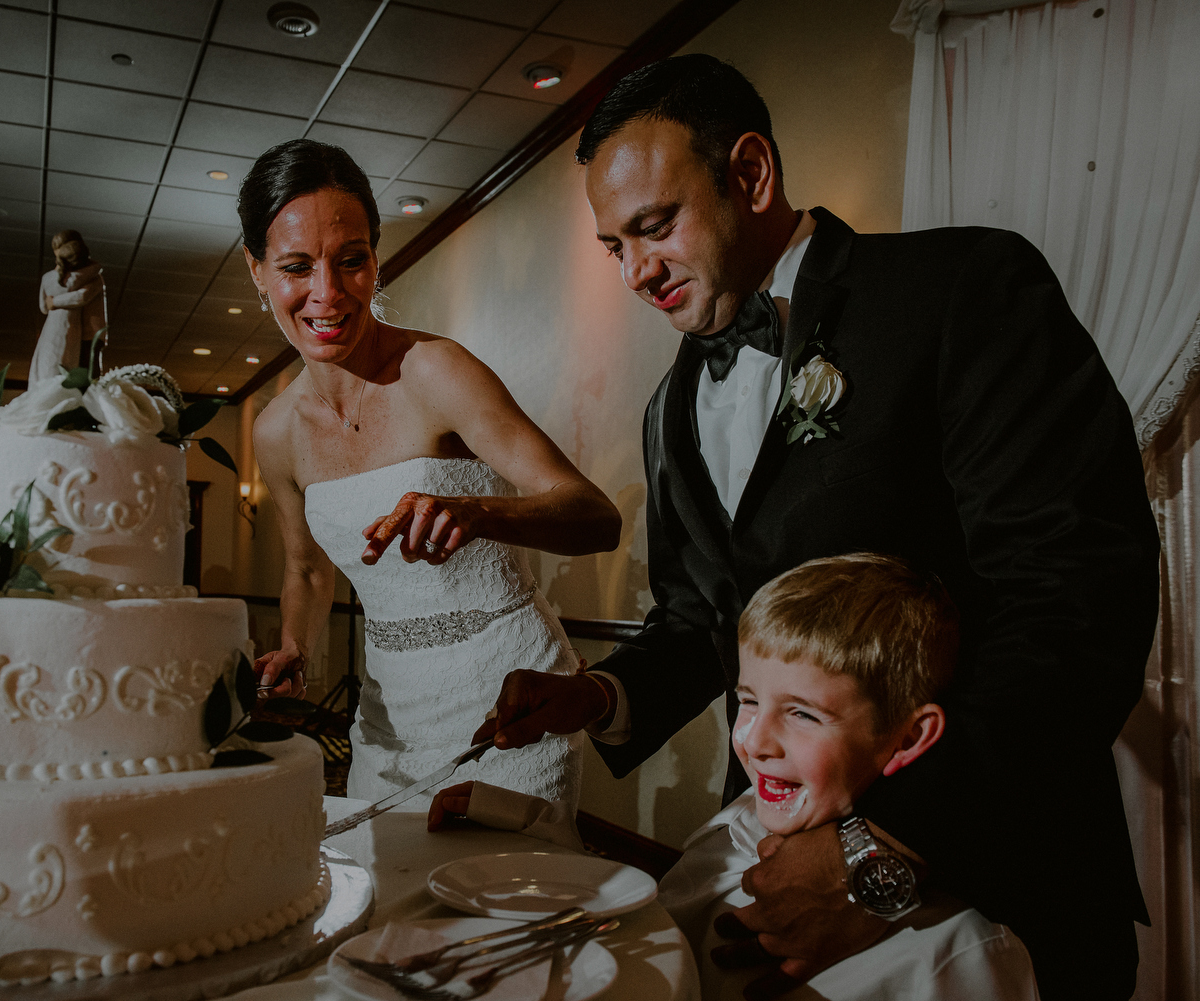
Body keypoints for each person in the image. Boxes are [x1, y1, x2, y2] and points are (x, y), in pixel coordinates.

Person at [476, 55, 1157, 1000]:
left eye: (654, 226)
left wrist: (887, 849)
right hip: (770, 871)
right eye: (612, 247)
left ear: (750, 174)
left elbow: (1077, 592)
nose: (635, 271)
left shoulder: (957, 287)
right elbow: (697, 620)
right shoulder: (667, 410)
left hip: (990, 884)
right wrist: (595, 697)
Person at [439, 554, 1040, 999]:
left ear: (908, 737)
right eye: (747, 701)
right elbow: (655, 936)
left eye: (803, 714)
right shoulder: (737, 823)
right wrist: (527, 828)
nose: (752, 740)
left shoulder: (958, 954)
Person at [243, 138, 622, 811]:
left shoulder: (437, 371)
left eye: (351, 261)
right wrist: (296, 647)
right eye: (296, 267)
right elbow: (305, 570)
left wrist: (479, 512)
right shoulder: (274, 433)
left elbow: (594, 514)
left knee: (500, 911)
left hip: (510, 712)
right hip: (386, 726)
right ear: (258, 271)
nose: (326, 294)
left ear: (375, 261)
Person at [30, 229, 105, 382]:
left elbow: (81, 296)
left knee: (84, 376)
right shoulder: (81, 276)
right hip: (75, 329)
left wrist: (54, 302)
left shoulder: (90, 276)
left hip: (90, 333)